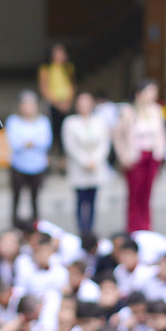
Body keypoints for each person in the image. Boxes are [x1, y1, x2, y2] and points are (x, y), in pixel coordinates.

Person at [112, 79, 166, 234]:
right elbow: (117, 135)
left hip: (152, 155)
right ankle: (133, 227)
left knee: (147, 193)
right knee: (134, 193)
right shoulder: (128, 111)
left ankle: (146, 226)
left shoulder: (156, 110)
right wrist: (122, 155)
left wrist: (161, 152)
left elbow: (161, 133)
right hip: (135, 156)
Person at [62, 91, 112, 235]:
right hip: (79, 167)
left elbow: (104, 143)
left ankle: (90, 229)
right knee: (80, 200)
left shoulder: (99, 121)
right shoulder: (70, 122)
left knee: (93, 200)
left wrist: (95, 160)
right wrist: (85, 161)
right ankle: (81, 229)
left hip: (96, 167)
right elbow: (70, 146)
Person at [5, 91, 53, 227]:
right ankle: (15, 225)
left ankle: (36, 224)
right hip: (18, 165)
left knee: (35, 197)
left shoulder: (43, 121)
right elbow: (14, 142)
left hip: (37, 165)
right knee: (16, 197)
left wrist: (28, 143)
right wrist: (31, 143)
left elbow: (45, 141)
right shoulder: (13, 121)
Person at [38, 43, 76, 169]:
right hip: (52, 105)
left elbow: (72, 85)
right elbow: (44, 88)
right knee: (52, 131)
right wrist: (57, 103)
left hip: (66, 103)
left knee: (65, 131)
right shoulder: (46, 69)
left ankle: (63, 160)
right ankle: (51, 160)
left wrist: (68, 102)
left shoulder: (68, 68)